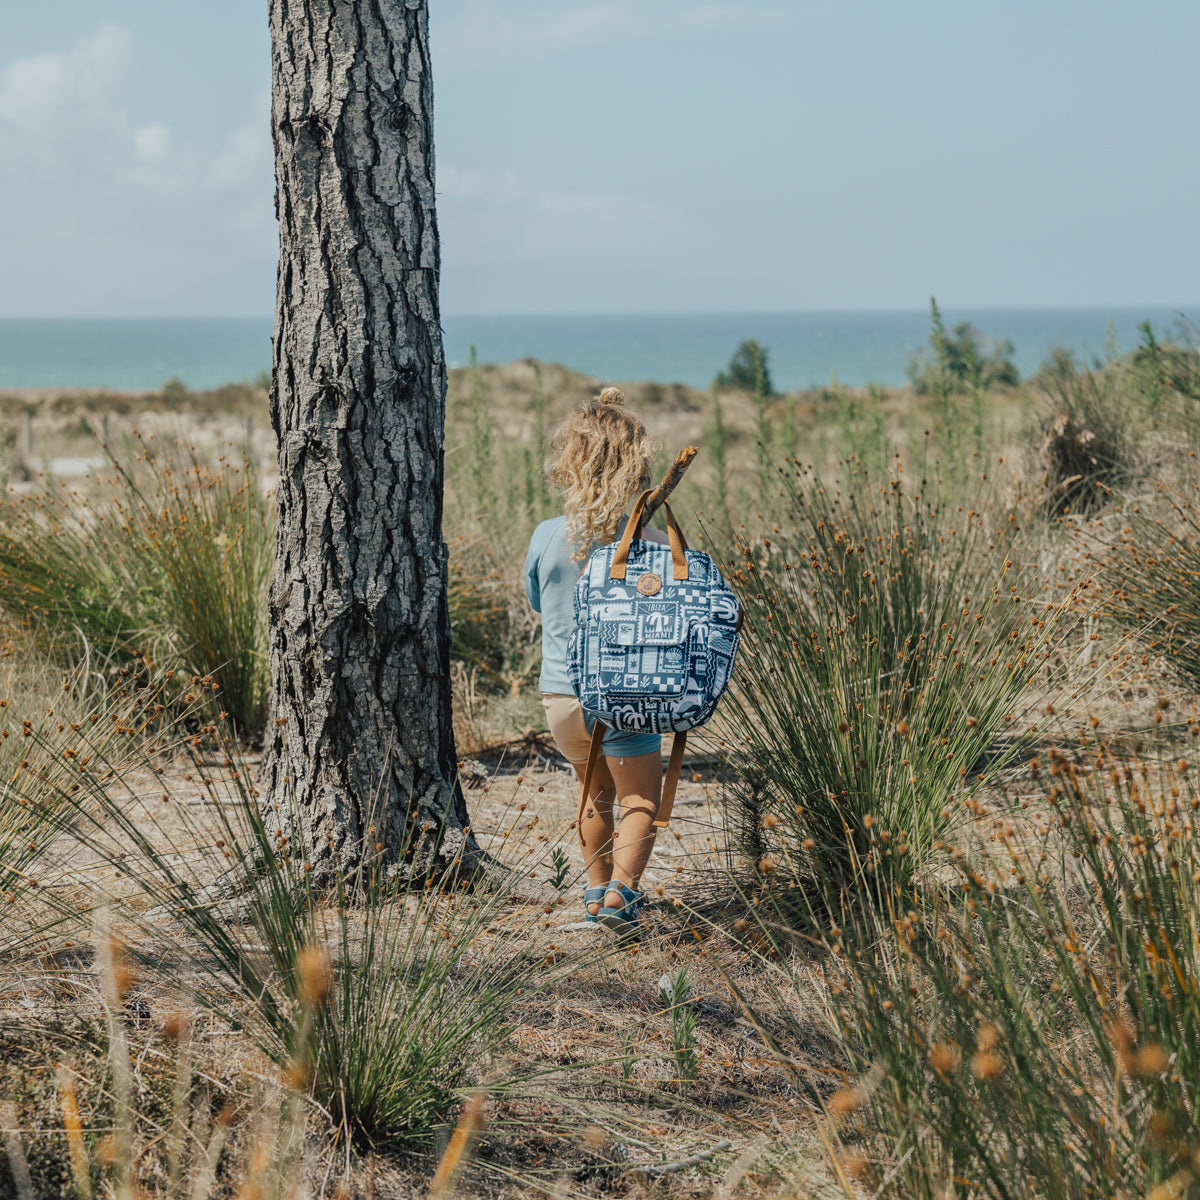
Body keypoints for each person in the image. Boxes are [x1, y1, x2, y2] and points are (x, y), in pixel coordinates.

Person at [524, 387, 667, 930]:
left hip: (561, 698)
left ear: (569, 464)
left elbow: (538, 601)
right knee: (638, 801)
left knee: (593, 792)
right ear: (637, 471)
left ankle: (593, 890)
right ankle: (622, 898)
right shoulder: (652, 543)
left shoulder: (546, 536)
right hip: (626, 696)